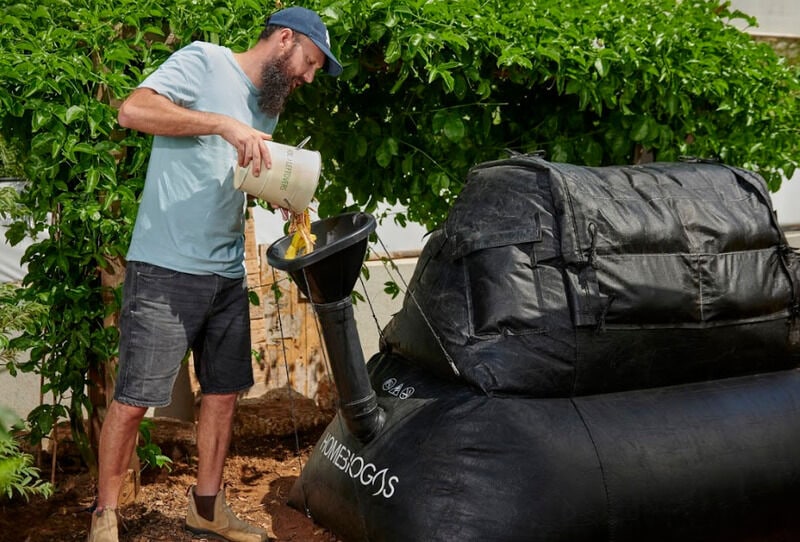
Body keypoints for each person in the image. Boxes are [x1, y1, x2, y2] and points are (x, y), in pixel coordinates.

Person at [87, 7, 342, 542]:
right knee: (135, 398)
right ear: (285, 40)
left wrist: (285, 194)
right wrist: (222, 122)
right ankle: (104, 516)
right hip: (165, 265)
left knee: (223, 395)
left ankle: (206, 507)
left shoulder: (267, 106)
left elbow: (231, 175)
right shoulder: (204, 62)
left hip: (225, 270)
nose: (309, 76)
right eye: (310, 62)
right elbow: (132, 110)